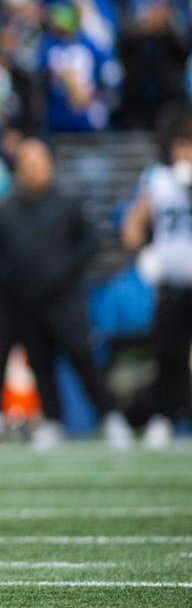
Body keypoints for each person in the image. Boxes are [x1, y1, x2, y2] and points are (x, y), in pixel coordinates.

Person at [0, 138, 133, 450]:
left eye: (38, 162)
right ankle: (53, 420)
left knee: (83, 358)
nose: (34, 169)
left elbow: (90, 245)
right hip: (27, 303)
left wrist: (63, 274)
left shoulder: (68, 204)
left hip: (65, 300)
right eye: (27, 163)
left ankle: (110, 416)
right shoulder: (5, 212)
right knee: (40, 364)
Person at [121, 107, 192, 449]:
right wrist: (143, 255)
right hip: (173, 286)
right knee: (168, 354)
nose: (186, 152)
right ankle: (164, 417)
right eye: (182, 144)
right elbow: (132, 228)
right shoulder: (159, 180)